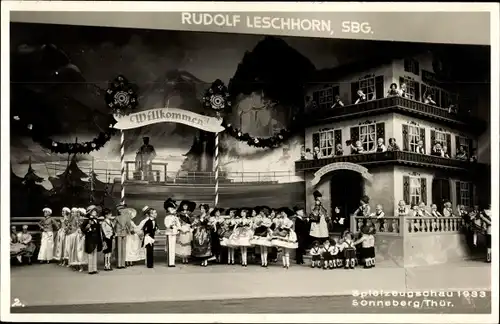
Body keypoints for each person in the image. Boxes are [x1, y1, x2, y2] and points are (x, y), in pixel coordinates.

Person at [81, 205, 103, 274]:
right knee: (90, 253)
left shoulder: (97, 220)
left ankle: (94, 269)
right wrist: (87, 227)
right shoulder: (87, 220)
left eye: (95, 212)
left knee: (95, 253)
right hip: (90, 238)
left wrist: (100, 239)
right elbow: (82, 228)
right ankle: (90, 269)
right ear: (90, 212)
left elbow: (99, 231)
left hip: (96, 238)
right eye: (93, 211)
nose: (95, 213)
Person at [114, 203, 133, 269]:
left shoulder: (117, 217)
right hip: (123, 233)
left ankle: (119, 264)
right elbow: (129, 225)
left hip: (119, 233)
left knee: (119, 248)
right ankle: (122, 264)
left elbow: (113, 226)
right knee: (123, 248)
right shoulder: (126, 217)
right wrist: (130, 230)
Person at [164, 198, 181, 267]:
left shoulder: (176, 217)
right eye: (171, 209)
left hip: (174, 233)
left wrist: (178, 228)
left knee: (173, 247)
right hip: (169, 233)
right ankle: (170, 262)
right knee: (170, 247)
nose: (173, 211)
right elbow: (166, 224)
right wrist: (170, 225)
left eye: (173, 209)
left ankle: (172, 262)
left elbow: (179, 225)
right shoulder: (167, 217)